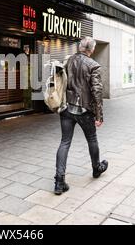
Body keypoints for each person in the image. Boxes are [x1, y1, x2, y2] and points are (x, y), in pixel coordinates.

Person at [54, 37, 108, 195]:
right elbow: (97, 92)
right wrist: (99, 116)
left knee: (65, 142)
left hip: (66, 109)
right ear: (91, 50)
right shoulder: (93, 65)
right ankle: (96, 169)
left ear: (80, 47)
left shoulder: (68, 60)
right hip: (84, 110)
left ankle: (59, 181)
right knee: (92, 139)